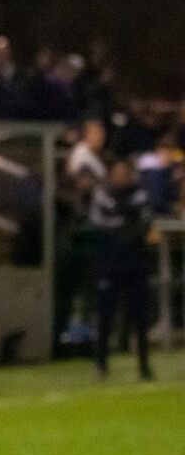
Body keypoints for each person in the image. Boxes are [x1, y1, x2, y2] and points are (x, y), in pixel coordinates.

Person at [88, 158, 153, 380]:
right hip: (110, 263)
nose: (121, 177)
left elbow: (145, 222)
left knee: (140, 316)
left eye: (125, 173)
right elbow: (97, 223)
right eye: (117, 172)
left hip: (135, 263)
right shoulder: (103, 194)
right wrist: (124, 226)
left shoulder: (139, 195)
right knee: (105, 315)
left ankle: (144, 365)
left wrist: (123, 227)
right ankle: (100, 364)